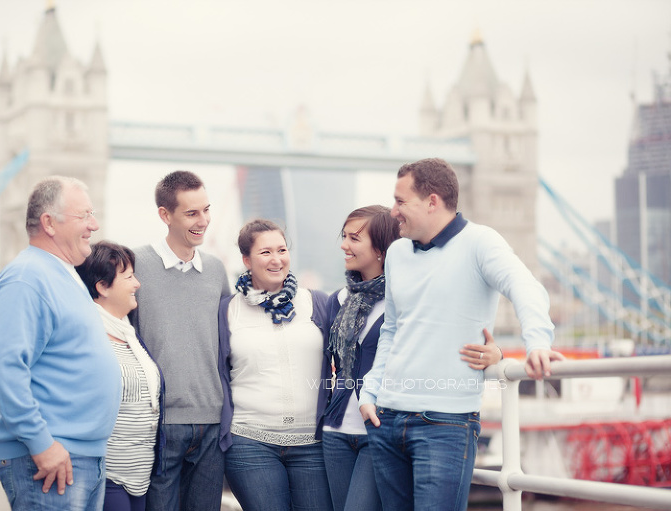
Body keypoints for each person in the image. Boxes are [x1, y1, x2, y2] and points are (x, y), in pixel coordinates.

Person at [358, 158, 564, 511]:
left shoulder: (481, 242)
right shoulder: (396, 253)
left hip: (445, 424)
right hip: (387, 418)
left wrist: (537, 343)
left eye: (401, 201)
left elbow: (525, 285)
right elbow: (393, 328)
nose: (393, 212)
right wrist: (370, 392)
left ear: (432, 201)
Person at [322, 205, 503, 511]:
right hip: (336, 433)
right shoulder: (337, 300)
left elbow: (448, 335)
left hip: (379, 427)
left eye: (354, 238)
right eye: (344, 236)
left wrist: (496, 353)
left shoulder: (409, 298)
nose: (344, 245)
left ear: (381, 249)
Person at [0, 176, 121, 511]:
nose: (94, 224)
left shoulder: (63, 273)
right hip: (48, 458)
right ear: (49, 223)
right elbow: (1, 367)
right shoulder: (27, 278)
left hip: (81, 456)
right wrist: (41, 445)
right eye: (84, 215)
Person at [130, 170, 231, 511]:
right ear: (165, 215)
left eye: (206, 210)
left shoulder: (217, 270)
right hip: (159, 424)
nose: (203, 221)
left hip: (213, 425)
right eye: (192, 213)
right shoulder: (136, 265)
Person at [218, 219, 333, 511]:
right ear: (246, 260)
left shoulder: (317, 303)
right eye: (265, 252)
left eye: (281, 250)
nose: (276, 259)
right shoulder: (227, 311)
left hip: (314, 444)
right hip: (249, 443)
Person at [76, 241, 164, 511]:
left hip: (139, 477)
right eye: (128, 277)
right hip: (108, 475)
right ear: (102, 287)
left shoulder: (129, 334)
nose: (137, 283)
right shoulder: (89, 337)